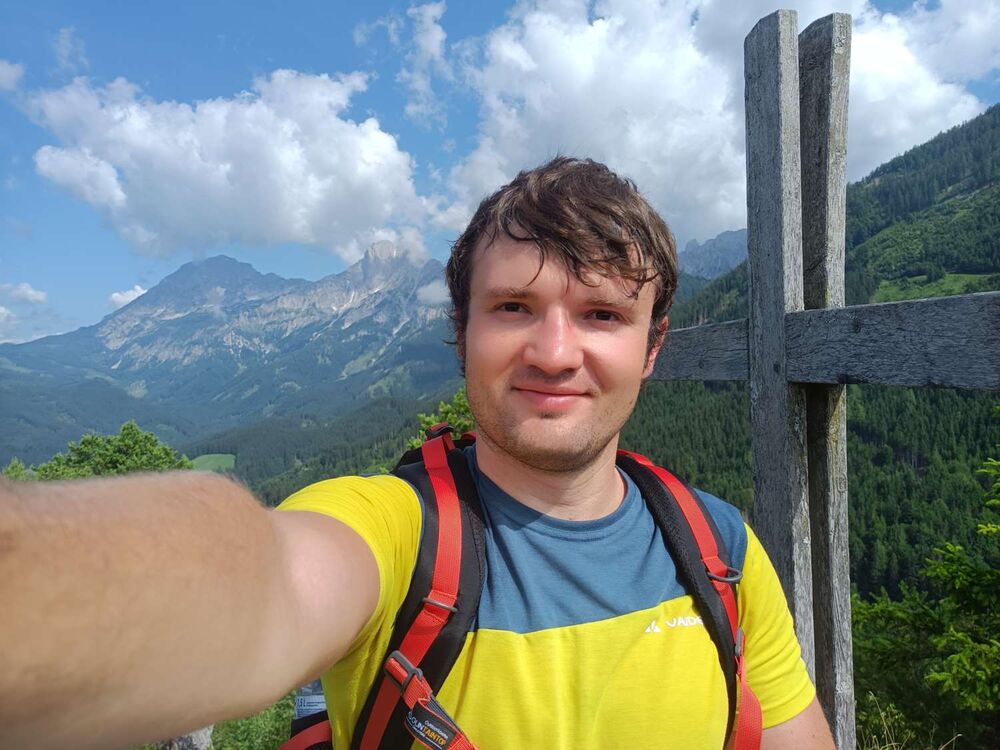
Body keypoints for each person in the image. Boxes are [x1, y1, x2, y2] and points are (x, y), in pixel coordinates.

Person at [0, 157, 835, 750]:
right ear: (461, 333)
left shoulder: (720, 552)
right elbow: (259, 577)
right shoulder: (398, 535)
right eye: (513, 307)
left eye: (602, 315)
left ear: (652, 348)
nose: (554, 352)